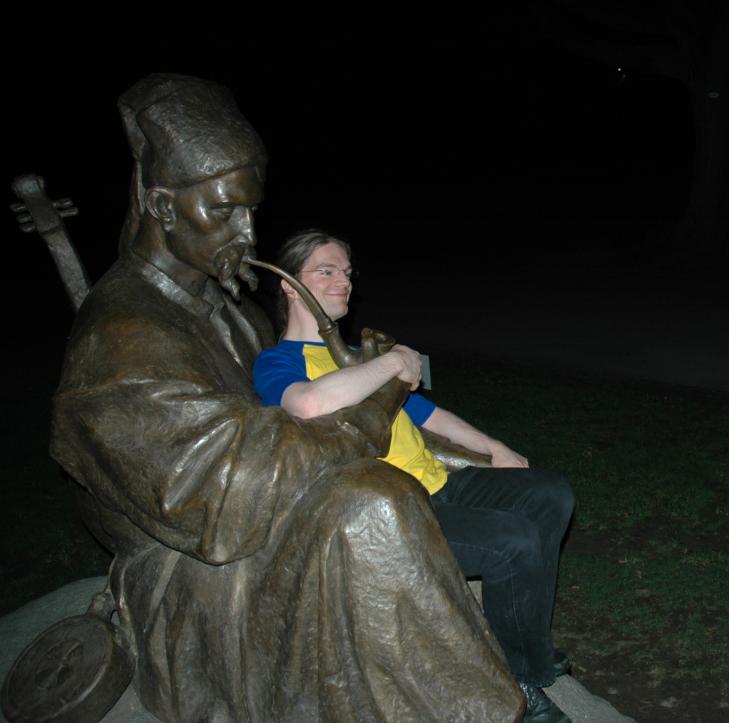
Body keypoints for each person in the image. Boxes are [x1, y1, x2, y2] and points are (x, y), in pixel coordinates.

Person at [51, 74, 526, 721]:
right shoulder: (120, 337)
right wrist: (373, 408)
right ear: (162, 207)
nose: (247, 231)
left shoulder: (233, 312)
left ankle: (471, 691)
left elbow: (300, 414)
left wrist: (468, 443)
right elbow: (224, 493)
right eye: (224, 211)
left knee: (389, 490)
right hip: (198, 563)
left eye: (251, 209)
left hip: (275, 502)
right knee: (373, 501)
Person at [252, 230, 576, 723]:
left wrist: (493, 447)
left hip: (439, 481)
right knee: (514, 543)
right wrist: (391, 361)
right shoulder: (279, 361)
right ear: (289, 287)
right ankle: (513, 684)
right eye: (326, 271)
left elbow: (427, 414)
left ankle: (530, 649)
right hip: (398, 511)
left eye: (346, 272)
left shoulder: (357, 354)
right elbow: (309, 404)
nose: (344, 282)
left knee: (552, 493)